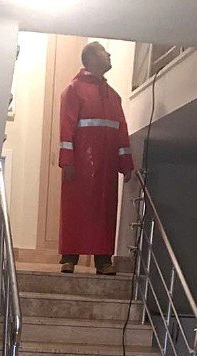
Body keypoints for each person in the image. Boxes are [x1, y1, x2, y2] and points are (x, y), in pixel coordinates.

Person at [58, 41, 134, 275]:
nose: (109, 54)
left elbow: (122, 131)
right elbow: (66, 128)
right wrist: (67, 161)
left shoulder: (114, 96)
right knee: (75, 209)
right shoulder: (73, 90)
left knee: (105, 211)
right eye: (104, 51)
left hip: (107, 167)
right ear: (90, 58)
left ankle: (103, 260)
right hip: (80, 165)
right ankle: (69, 257)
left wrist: (125, 164)